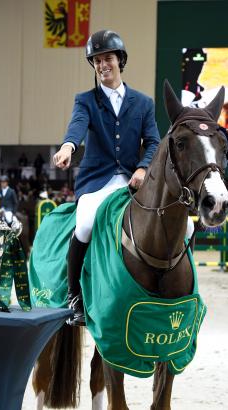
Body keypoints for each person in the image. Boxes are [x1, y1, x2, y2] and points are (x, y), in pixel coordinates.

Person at [53, 30, 160, 325]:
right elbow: (77, 126)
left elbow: (153, 141)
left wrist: (142, 168)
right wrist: (68, 146)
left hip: (133, 179)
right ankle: (75, 297)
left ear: (120, 60)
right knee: (86, 223)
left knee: (177, 225)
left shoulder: (143, 103)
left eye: (107, 58)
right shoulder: (85, 100)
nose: (102, 65)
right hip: (96, 180)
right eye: (97, 61)